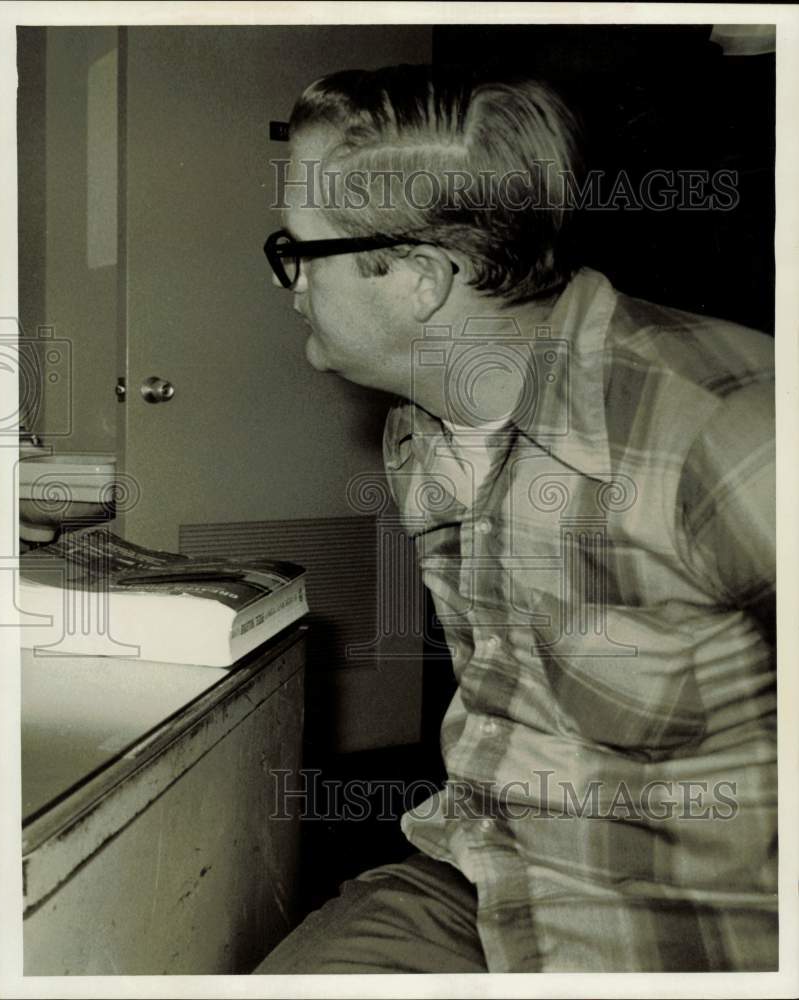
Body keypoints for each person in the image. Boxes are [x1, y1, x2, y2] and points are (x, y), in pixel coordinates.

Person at [257, 65, 776, 973]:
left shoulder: (731, 427)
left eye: (300, 248)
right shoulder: (418, 426)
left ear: (419, 279)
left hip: (686, 935)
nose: (290, 280)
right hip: (474, 877)